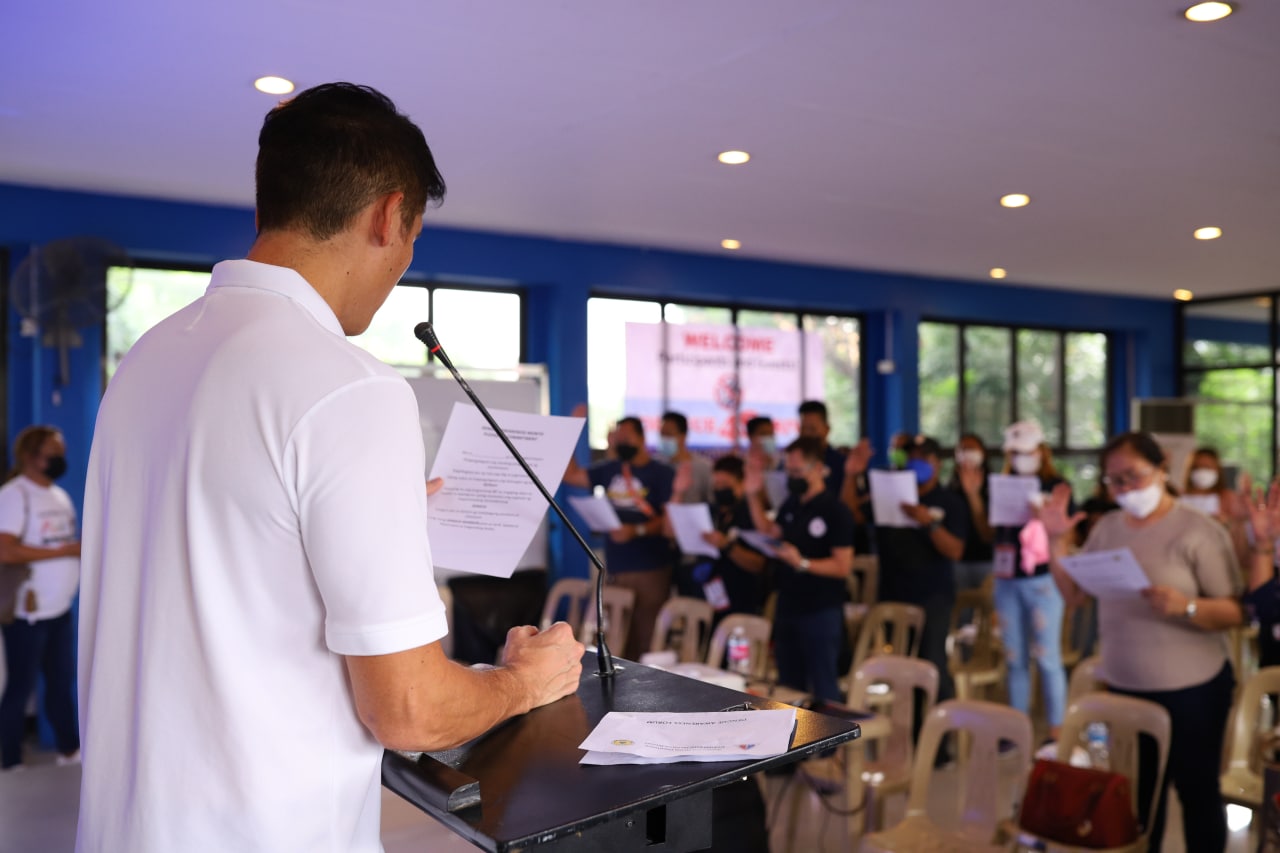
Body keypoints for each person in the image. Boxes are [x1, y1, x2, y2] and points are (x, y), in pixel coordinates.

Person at [76, 83, 584, 851]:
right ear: (389, 215)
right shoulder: (350, 387)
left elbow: (223, 548)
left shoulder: (149, 357)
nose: (403, 265)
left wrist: (368, 519)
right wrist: (524, 681)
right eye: (413, 239)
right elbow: (408, 709)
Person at [1041, 431, 1242, 853]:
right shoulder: (1108, 528)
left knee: (1197, 792)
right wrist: (1056, 542)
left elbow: (1235, 613)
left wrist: (1186, 606)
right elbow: (1075, 596)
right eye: (1114, 481)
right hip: (1126, 687)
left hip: (1193, 690)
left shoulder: (1198, 530)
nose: (1126, 489)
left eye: (1133, 476)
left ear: (1162, 468)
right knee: (1140, 799)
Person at [744, 437, 854, 702]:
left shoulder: (836, 511)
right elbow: (770, 531)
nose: (791, 477)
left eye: (797, 471)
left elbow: (842, 566)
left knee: (823, 686)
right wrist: (752, 495)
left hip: (820, 609)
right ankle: (793, 729)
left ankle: (829, 731)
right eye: (788, 471)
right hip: (788, 604)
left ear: (817, 469)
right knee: (788, 685)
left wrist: (801, 562)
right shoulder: (792, 504)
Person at [0, 425, 81, 771]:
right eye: (53, 453)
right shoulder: (14, 495)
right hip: (26, 614)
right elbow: (6, 550)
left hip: (58, 609)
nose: (60, 459)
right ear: (31, 456)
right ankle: (11, 760)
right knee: (20, 687)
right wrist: (66, 551)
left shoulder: (59, 496)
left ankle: (69, 750)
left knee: (61, 683)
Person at [563, 416, 675, 659]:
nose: (622, 442)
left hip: (650, 569)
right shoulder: (610, 469)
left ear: (642, 438)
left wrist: (637, 531)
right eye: (618, 438)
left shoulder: (661, 473)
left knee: (648, 637)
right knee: (618, 637)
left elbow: (668, 520)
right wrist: (570, 429)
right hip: (615, 566)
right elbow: (571, 475)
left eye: (627, 437)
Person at [874, 435, 968, 706]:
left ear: (938, 464)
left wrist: (929, 523)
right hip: (893, 593)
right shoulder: (891, 495)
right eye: (913, 457)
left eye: (925, 458)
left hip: (932, 597)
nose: (918, 463)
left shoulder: (950, 502)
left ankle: (940, 727)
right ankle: (907, 725)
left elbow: (955, 550)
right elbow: (856, 515)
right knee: (900, 667)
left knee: (931, 664)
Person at [992, 421, 1069, 740]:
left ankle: (1057, 732)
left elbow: (1067, 536)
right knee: (1014, 659)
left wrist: (1045, 519)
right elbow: (988, 532)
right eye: (1015, 453)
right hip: (1007, 578)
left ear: (1041, 451)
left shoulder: (1057, 487)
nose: (1020, 458)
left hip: (1044, 581)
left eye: (1026, 452)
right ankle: (1017, 730)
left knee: (1048, 658)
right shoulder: (1002, 485)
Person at [674, 455, 766, 622]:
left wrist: (727, 546)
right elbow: (670, 531)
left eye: (725, 485)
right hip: (708, 597)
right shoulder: (710, 513)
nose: (719, 489)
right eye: (716, 485)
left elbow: (759, 564)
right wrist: (678, 493)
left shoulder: (753, 516)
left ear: (742, 484)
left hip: (741, 601)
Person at [950, 432, 994, 597]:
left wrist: (973, 495)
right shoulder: (950, 489)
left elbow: (988, 534)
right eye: (963, 449)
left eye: (972, 448)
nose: (967, 453)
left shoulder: (994, 486)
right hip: (958, 563)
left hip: (987, 560)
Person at [659, 411, 713, 504]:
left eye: (668, 434)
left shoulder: (703, 467)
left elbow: (712, 502)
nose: (664, 438)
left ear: (683, 436)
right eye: (662, 434)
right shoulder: (657, 464)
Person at [798, 401, 847, 496]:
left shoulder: (841, 464)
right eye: (803, 429)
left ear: (827, 429)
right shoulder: (795, 462)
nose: (807, 435)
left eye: (812, 429)